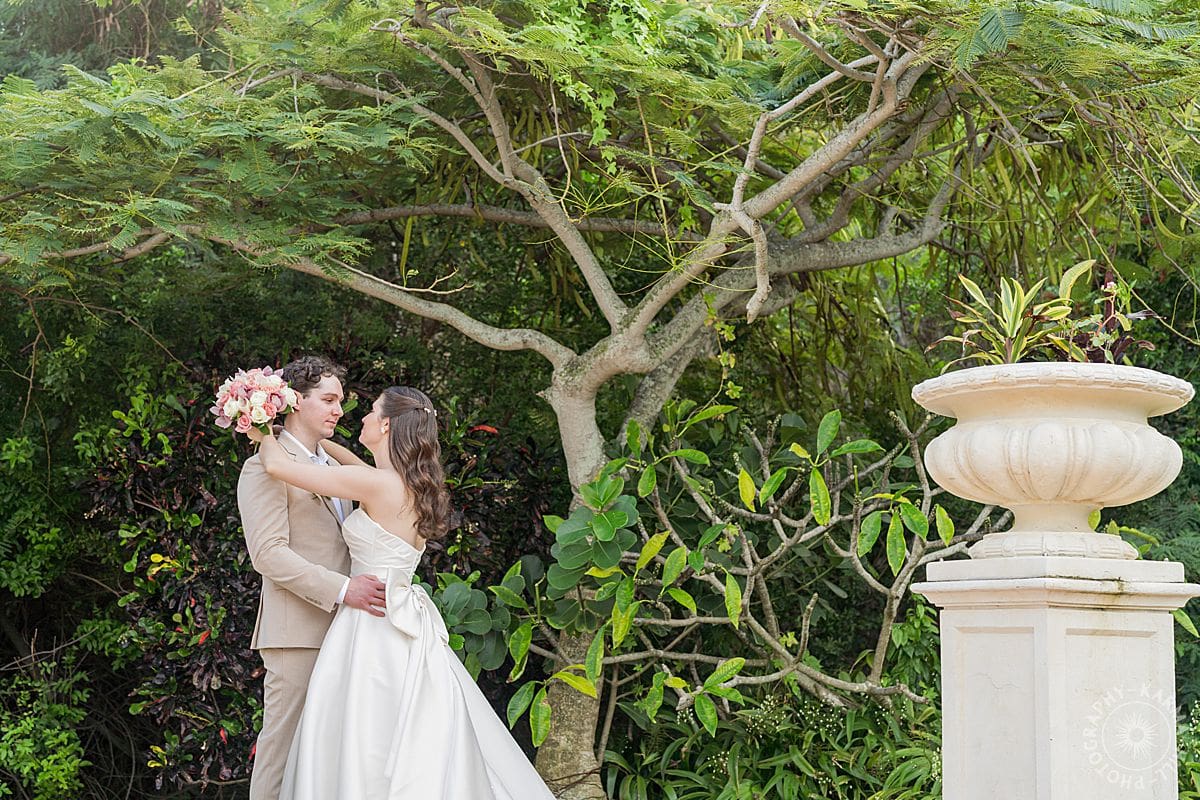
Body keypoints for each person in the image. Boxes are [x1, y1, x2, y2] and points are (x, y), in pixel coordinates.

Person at [248, 386, 556, 800]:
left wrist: (259, 426)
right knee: (399, 728)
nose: (359, 417)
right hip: (402, 617)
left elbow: (277, 466)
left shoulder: (374, 485)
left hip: (369, 622)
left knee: (361, 732)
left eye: (371, 412)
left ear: (387, 425)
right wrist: (318, 442)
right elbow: (352, 463)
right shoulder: (408, 485)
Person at [237, 356, 388, 800]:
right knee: (281, 753)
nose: (339, 410)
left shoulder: (336, 467)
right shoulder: (263, 467)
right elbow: (268, 554)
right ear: (295, 401)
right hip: (298, 633)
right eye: (328, 399)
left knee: (334, 755)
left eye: (341, 400)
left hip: (350, 631)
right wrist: (343, 589)